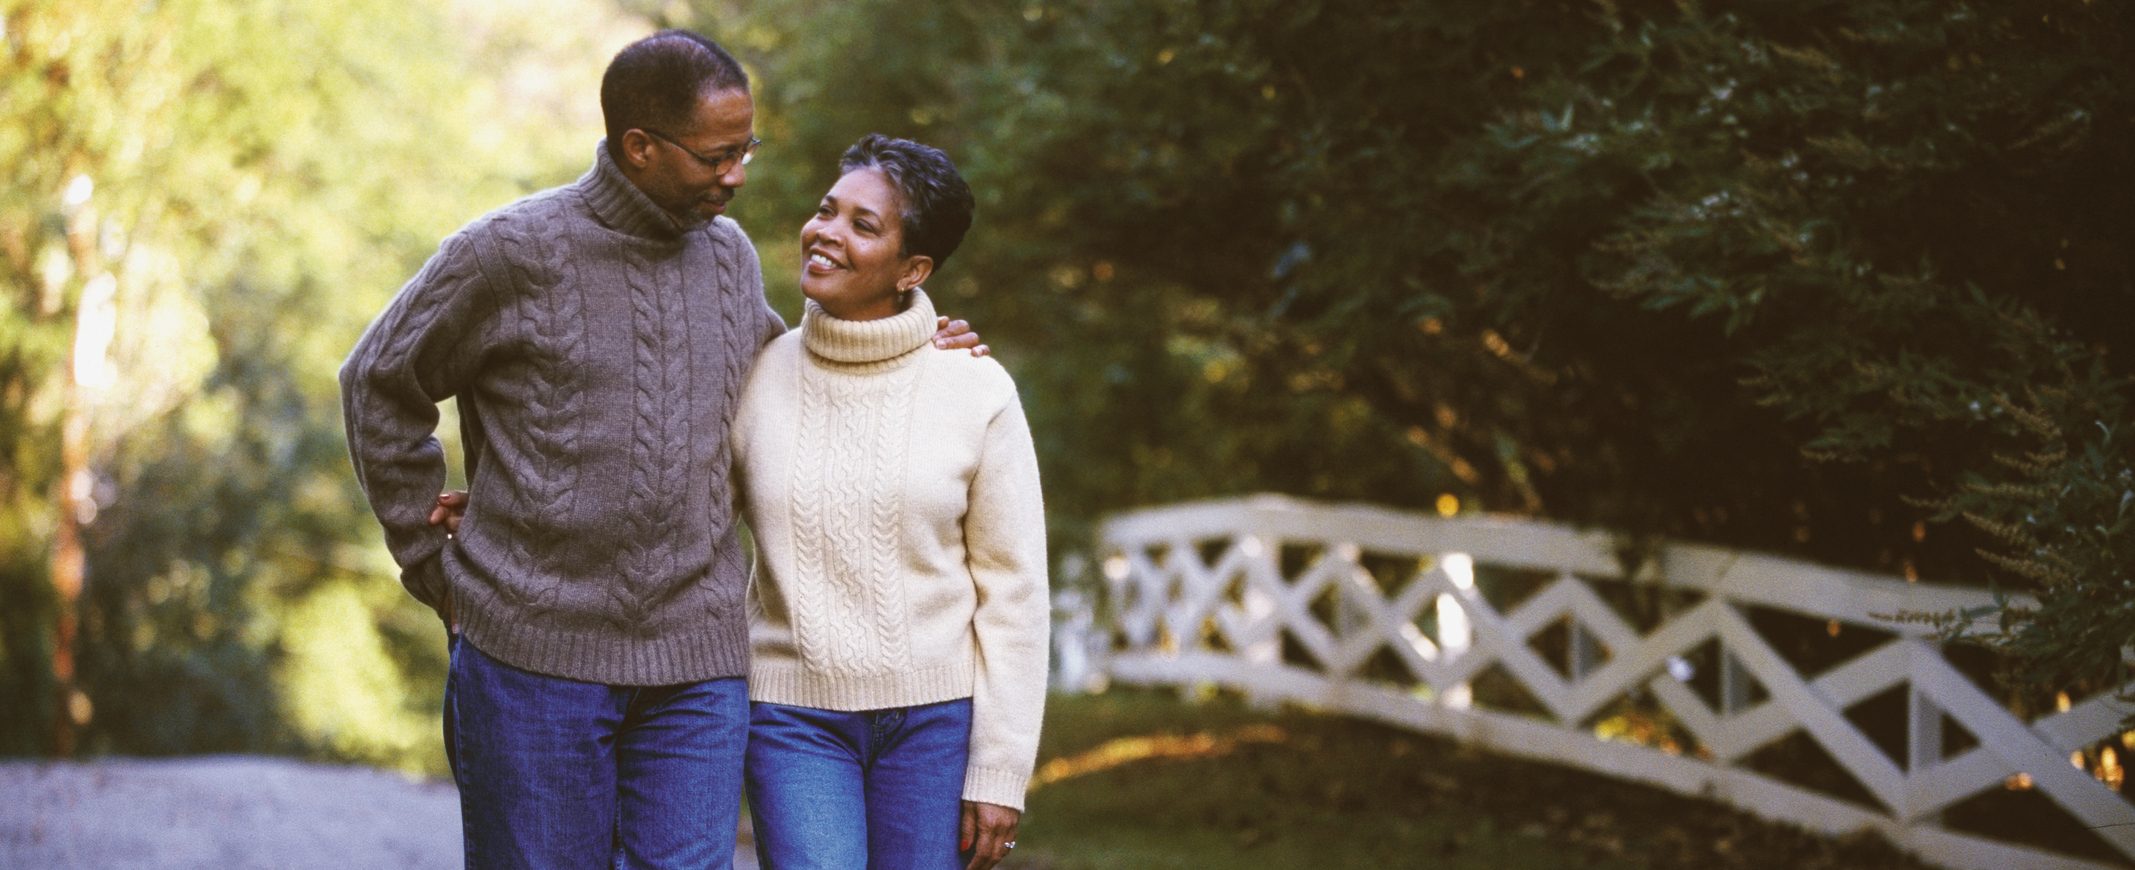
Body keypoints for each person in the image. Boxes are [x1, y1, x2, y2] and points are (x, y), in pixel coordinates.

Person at [338, 31, 982, 869]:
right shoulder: (507, 253)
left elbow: (797, 386)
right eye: (717, 154)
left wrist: (913, 346)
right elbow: (378, 381)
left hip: (697, 662)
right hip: (533, 657)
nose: (739, 175)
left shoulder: (729, 257)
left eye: (746, 148)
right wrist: (427, 558)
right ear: (639, 147)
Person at [731, 134, 1048, 870]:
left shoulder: (975, 388)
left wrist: (1000, 773)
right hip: (791, 718)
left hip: (935, 725)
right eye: (826, 211)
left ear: (914, 269)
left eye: (862, 225)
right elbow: (679, 510)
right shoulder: (758, 373)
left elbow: (1014, 593)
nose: (825, 234)